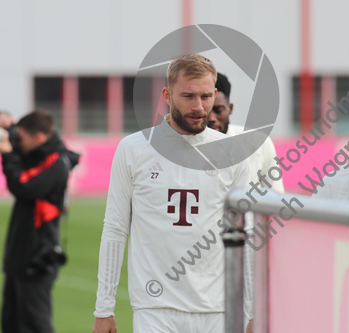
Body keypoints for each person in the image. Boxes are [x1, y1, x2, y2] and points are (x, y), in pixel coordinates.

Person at [93, 54, 252, 333]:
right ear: (167, 95)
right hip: (154, 309)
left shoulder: (234, 153)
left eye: (205, 96)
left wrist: (251, 310)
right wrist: (104, 308)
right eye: (188, 96)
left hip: (218, 309)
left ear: (215, 94)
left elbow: (247, 236)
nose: (199, 106)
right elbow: (115, 229)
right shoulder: (134, 149)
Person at [208, 72, 285, 330]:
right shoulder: (189, 148)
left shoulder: (257, 143)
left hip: (250, 254)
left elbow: (277, 202)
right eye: (208, 110)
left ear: (229, 107)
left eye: (218, 109)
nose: (212, 117)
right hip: (203, 259)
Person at [0, 110, 80, 333]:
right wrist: (11, 125)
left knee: (34, 325)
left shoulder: (56, 162)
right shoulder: (41, 152)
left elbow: (23, 186)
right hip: (20, 255)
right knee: (11, 323)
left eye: (21, 138)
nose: (17, 143)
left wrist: (7, 155)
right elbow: (29, 142)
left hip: (37, 255)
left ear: (38, 139)